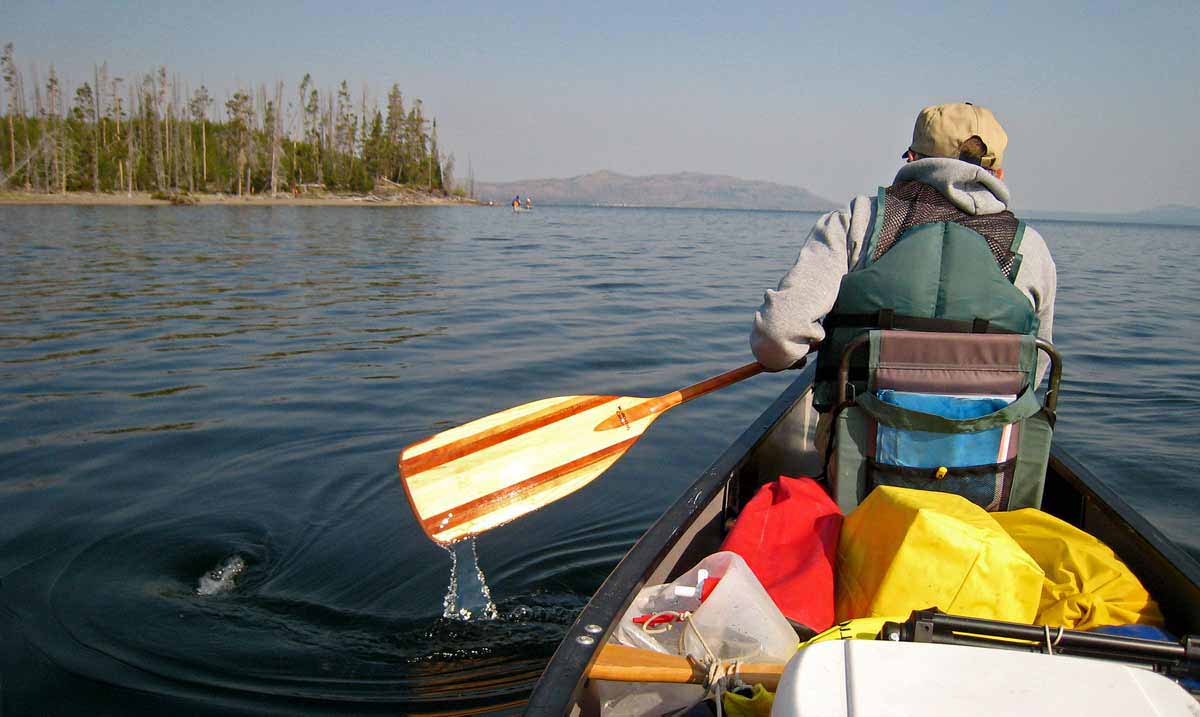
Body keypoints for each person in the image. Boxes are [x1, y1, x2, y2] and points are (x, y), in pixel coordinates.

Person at [750, 102, 1056, 447]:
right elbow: (1035, 367)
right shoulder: (1029, 248)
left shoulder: (858, 221)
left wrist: (787, 355)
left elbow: (778, 336)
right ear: (997, 174)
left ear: (912, 159)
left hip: (860, 462)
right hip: (986, 461)